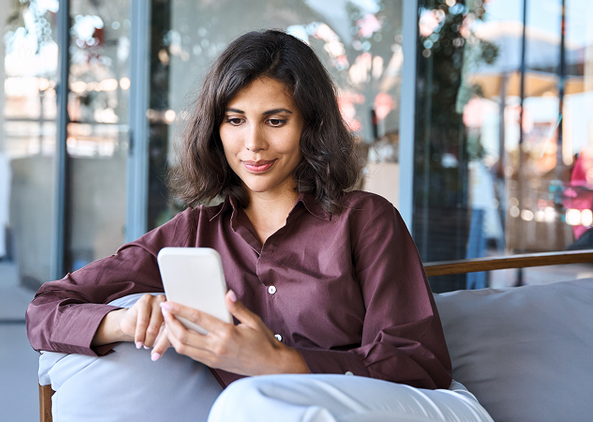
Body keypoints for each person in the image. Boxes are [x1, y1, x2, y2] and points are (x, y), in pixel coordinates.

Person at [26, 30, 494, 422]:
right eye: (235, 120)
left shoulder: (365, 220)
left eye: (275, 120)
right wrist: (124, 321)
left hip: (415, 407)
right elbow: (46, 309)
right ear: (216, 128)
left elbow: (419, 363)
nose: (253, 143)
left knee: (248, 401)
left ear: (309, 125)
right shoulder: (192, 233)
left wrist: (280, 364)